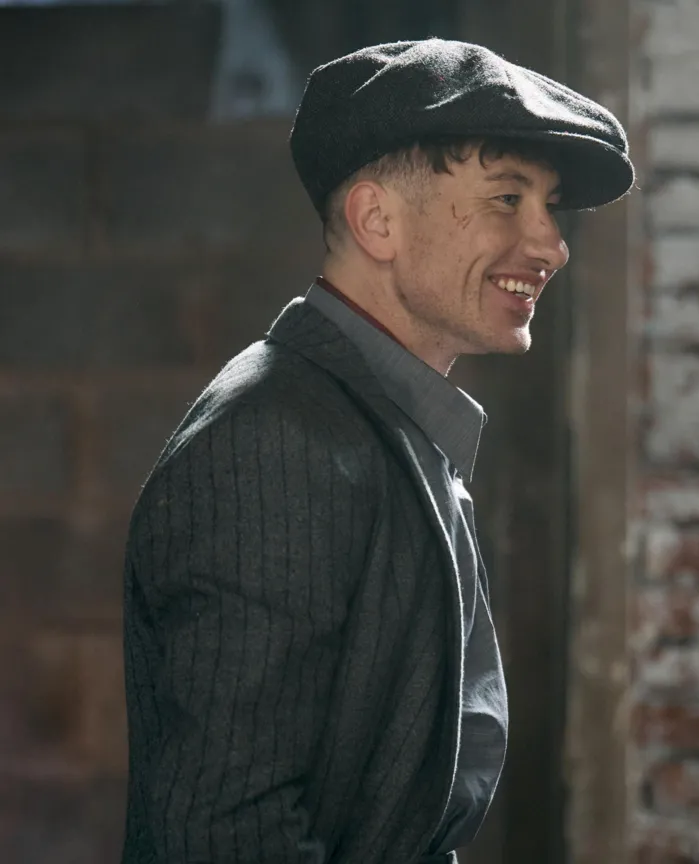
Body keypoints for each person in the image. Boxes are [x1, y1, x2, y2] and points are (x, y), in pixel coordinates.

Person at [120, 39, 631, 863]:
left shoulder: (380, 421)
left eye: (551, 205)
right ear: (376, 220)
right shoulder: (277, 443)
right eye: (507, 198)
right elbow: (223, 835)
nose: (551, 243)